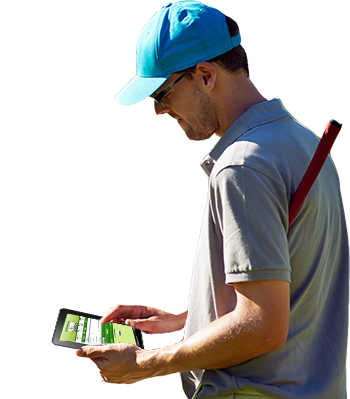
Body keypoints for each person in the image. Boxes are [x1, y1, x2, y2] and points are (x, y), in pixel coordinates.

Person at [76, 2, 349, 398]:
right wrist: (183, 320)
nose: (158, 110)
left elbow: (261, 325)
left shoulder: (241, 167)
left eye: (162, 92)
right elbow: (286, 291)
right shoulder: (302, 143)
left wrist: (145, 364)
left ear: (205, 75)